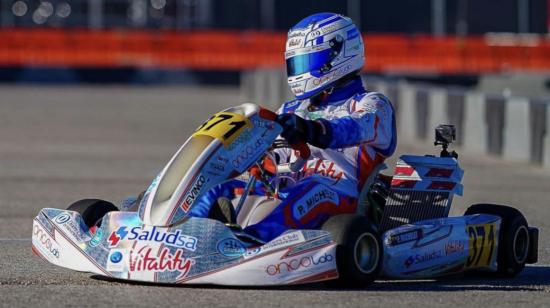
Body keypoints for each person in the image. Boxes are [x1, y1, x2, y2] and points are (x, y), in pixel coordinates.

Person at [193, 12, 397, 243]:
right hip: (286, 184)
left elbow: (355, 128)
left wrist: (311, 129)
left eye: (307, 62)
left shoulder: (371, 103)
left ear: (337, 56)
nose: (299, 71)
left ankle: (250, 242)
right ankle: (185, 233)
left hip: (341, 194)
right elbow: (278, 152)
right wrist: (256, 156)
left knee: (310, 188)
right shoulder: (292, 108)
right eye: (295, 63)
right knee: (219, 187)